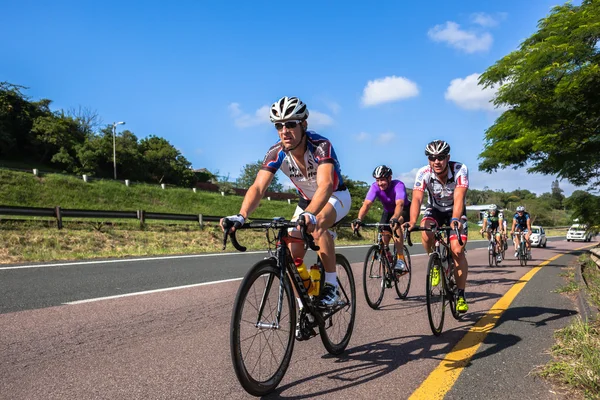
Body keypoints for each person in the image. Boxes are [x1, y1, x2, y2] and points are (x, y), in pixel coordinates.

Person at [220, 96, 351, 308]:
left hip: (336, 196)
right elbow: (258, 187)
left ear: (304, 125)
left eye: (290, 124)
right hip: (306, 201)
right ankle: (302, 306)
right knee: (290, 254)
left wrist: (310, 214)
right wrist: (242, 215)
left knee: (317, 227)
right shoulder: (277, 152)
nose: (284, 130)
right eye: (279, 126)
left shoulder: (320, 146)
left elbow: (325, 185)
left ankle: (331, 286)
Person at [405, 140, 470, 313]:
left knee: (457, 251)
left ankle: (461, 295)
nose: (437, 161)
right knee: (425, 230)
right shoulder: (423, 173)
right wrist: (412, 221)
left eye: (441, 157)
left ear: (448, 157)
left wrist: (455, 218)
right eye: (432, 158)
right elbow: (417, 198)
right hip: (435, 209)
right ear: (428, 160)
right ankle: (434, 261)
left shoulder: (459, 169)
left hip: (455, 211)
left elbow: (459, 197)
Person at [351, 165, 410, 273]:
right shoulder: (374, 187)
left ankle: (401, 258)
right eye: (377, 180)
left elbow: (400, 204)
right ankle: (388, 260)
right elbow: (367, 205)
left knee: (395, 225)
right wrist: (359, 219)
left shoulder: (398, 185)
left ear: (389, 178)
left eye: (382, 180)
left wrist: (395, 218)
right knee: (384, 236)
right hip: (387, 211)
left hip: (403, 210)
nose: (379, 183)